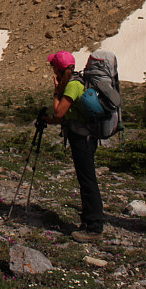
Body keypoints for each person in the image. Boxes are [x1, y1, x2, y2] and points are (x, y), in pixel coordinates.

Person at [40, 51, 104, 243]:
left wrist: (56, 91)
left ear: (59, 69)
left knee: (87, 181)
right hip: (86, 137)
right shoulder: (77, 82)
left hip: (82, 138)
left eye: (53, 66)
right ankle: (88, 221)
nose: (52, 69)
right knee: (86, 179)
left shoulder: (73, 85)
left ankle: (94, 226)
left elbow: (59, 113)